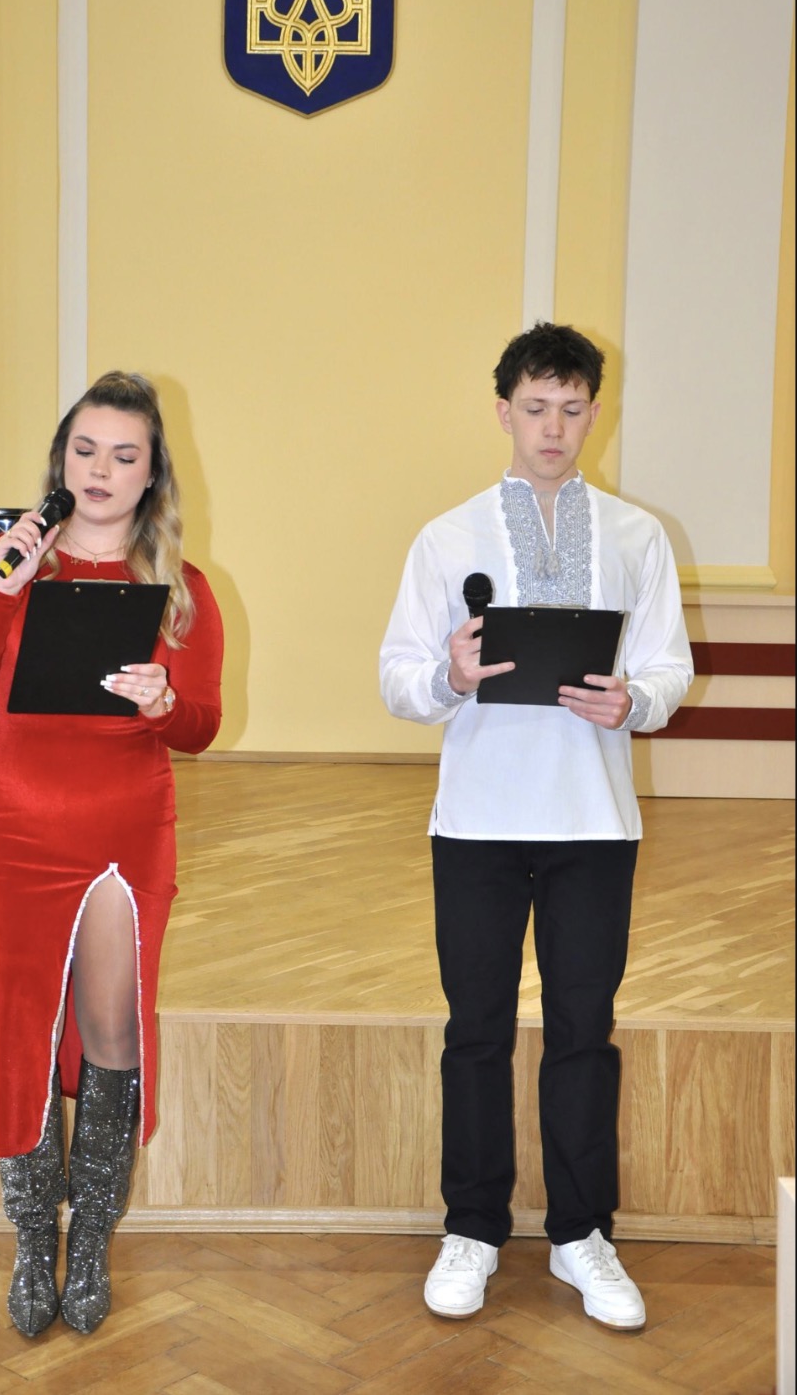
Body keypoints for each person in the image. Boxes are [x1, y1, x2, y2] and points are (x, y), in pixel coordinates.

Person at [379, 323, 692, 1331]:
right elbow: (396, 677)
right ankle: (471, 1228)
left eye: (571, 408)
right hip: (475, 822)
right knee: (473, 1030)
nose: (552, 427)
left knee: (580, 1032)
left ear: (594, 413)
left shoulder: (637, 537)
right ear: (502, 411)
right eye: (534, 407)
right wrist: (447, 675)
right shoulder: (446, 537)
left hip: (593, 823)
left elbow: (668, 667)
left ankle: (578, 1234)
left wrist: (635, 701)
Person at [0, 372, 223, 1337]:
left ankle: (90, 1235)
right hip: (11, 821)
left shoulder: (182, 588)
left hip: (123, 828)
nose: (100, 470)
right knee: (17, 1026)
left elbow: (202, 725)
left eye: (124, 455)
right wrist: (0, 589)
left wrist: (164, 703)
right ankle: (31, 1236)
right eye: (85, 449)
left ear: (152, 475)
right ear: (62, 460)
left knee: (113, 1028)